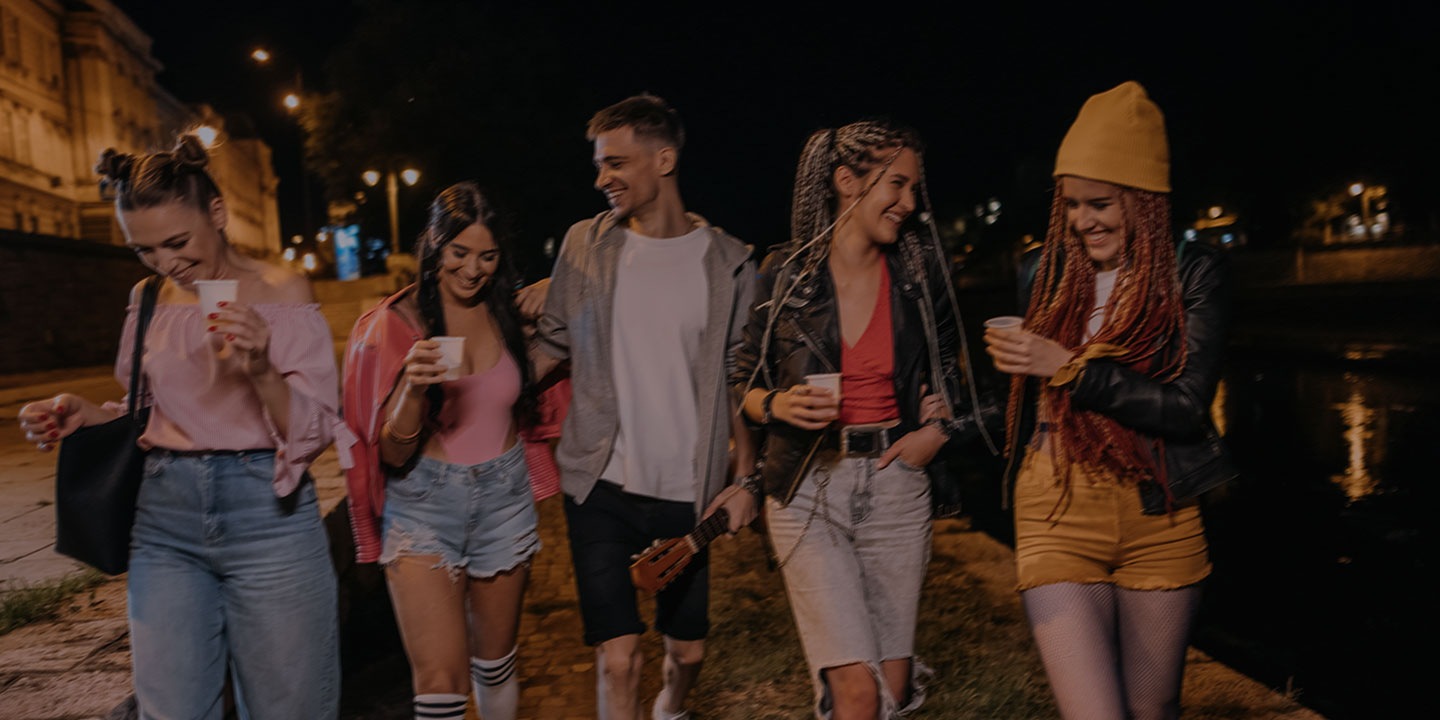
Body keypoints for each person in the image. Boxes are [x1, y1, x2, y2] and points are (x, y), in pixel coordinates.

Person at [16, 135, 342, 718]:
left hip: (267, 515)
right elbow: (146, 410)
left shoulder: (283, 291)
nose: (167, 263)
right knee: (171, 710)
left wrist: (264, 367)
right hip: (163, 521)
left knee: (290, 707)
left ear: (216, 214)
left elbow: (314, 432)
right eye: (144, 250)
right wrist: (81, 414)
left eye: (177, 242)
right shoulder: (148, 301)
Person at [982, 81, 1235, 720]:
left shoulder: (1192, 273)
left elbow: (1184, 409)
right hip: (1056, 504)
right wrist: (950, 420)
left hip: (1160, 511)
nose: (1081, 220)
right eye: (1071, 204)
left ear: (1144, 202)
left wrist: (1068, 367)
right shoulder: (1045, 274)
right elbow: (1017, 403)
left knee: (1154, 709)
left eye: (1100, 204)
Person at [732, 120, 982, 719]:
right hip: (807, 486)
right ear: (847, 181)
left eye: (915, 188)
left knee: (891, 695)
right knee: (858, 693)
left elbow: (964, 384)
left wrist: (937, 429)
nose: (910, 203)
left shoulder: (919, 275)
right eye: (896, 185)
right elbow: (742, 377)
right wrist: (776, 405)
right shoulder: (786, 272)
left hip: (897, 487)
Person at [531, 93, 759, 720]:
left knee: (685, 653)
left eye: (615, 163)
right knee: (617, 658)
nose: (602, 178)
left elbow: (740, 382)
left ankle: (672, 706)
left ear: (663, 158)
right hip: (599, 483)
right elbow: (551, 345)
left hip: (687, 494)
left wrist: (747, 479)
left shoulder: (732, 266)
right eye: (599, 164)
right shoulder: (586, 246)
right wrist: (475, 374)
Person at [342, 181, 545, 720]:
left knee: (495, 663)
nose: (472, 270)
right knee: (439, 682)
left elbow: (567, 352)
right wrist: (412, 386)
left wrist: (558, 289)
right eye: (459, 253)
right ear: (433, 244)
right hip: (423, 506)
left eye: (487, 256)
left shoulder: (508, 313)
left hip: (504, 497)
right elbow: (387, 454)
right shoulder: (396, 323)